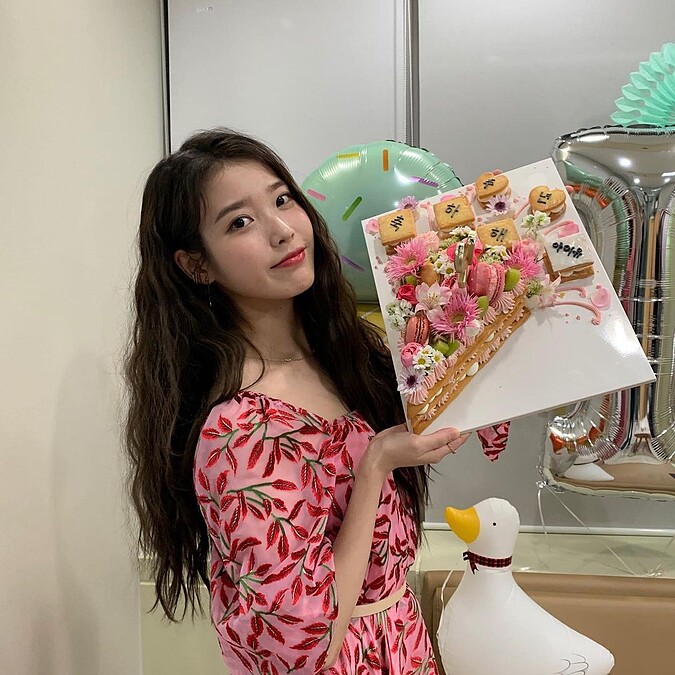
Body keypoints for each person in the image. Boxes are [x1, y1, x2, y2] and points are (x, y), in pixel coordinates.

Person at [124, 128, 468, 674]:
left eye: (282, 200)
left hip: (402, 646)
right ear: (196, 265)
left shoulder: (347, 356)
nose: (282, 230)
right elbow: (305, 646)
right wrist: (377, 464)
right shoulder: (239, 430)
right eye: (240, 222)